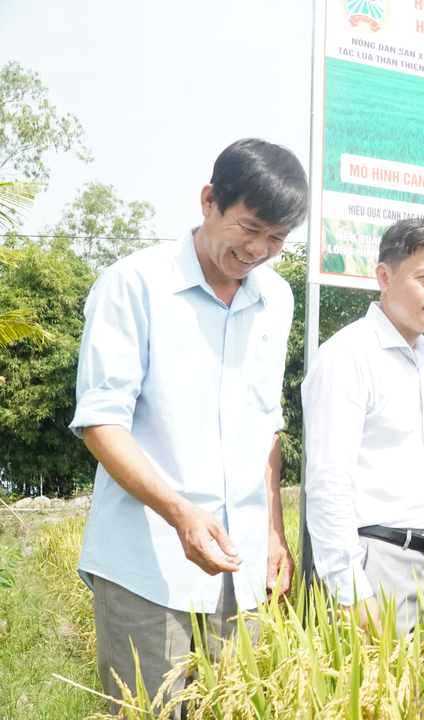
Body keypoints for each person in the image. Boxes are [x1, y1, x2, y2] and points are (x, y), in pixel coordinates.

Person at [71, 139, 308, 715]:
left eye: (276, 239)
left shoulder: (277, 298)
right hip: (148, 560)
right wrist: (180, 513)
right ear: (209, 200)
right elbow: (101, 422)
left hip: (243, 566)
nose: (258, 250)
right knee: (148, 709)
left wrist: (273, 534)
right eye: (249, 228)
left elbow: (266, 425)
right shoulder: (134, 285)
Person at [302, 218, 424, 634]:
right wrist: (351, 591)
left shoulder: (418, 356)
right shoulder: (350, 354)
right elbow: (328, 482)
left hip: (422, 560)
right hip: (372, 561)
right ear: (384, 276)